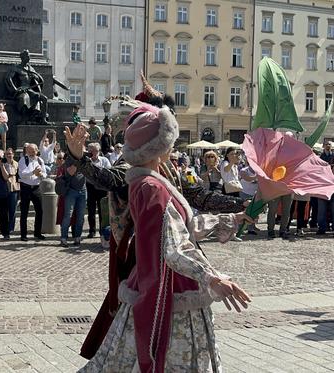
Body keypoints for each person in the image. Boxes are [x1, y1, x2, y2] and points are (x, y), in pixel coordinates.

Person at [72, 104, 252, 372]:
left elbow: (183, 226)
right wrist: (212, 278)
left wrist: (234, 217)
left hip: (159, 280)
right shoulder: (151, 187)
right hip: (168, 287)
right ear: (159, 147)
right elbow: (174, 247)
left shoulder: (152, 180)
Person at [18, 143, 46, 241]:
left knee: (40, 211)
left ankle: (37, 233)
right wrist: (33, 172)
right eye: (29, 151)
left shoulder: (40, 160)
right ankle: (23, 235)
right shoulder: (23, 160)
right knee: (24, 212)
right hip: (25, 188)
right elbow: (22, 174)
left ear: (37, 151)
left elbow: (45, 175)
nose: (31, 153)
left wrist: (40, 174)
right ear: (26, 151)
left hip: (36, 188)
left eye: (33, 151)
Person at [58, 158, 87, 247]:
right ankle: (63, 238)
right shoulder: (69, 160)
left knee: (80, 216)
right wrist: (78, 162)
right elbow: (70, 172)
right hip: (71, 191)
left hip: (83, 191)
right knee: (68, 215)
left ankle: (77, 237)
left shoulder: (85, 160)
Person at [85, 143, 111, 239]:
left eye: (96, 150)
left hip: (101, 187)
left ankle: (102, 230)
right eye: (91, 151)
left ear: (99, 151)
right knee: (91, 210)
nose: (94, 153)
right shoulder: (87, 161)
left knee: (102, 211)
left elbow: (108, 174)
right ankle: (92, 230)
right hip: (90, 187)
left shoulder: (104, 160)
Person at [4, 148, 21, 234]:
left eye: (10, 154)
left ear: (13, 154)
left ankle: (11, 228)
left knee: (12, 210)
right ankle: (4, 227)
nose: (9, 155)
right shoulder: (3, 164)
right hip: (5, 189)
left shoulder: (17, 164)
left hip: (14, 189)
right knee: (4, 210)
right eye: (7, 154)